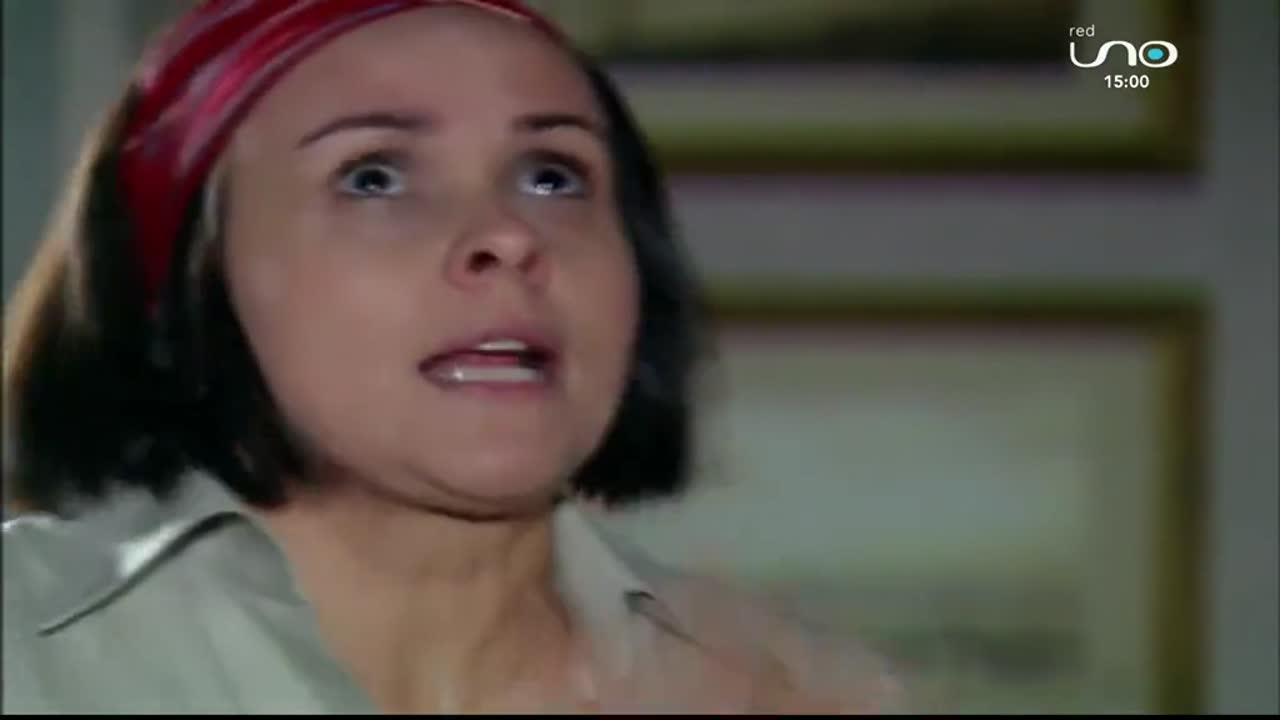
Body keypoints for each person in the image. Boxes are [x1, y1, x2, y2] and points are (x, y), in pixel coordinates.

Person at [2, 0, 901, 713]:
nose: (509, 235)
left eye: (553, 175)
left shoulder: (793, 693)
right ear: (184, 276)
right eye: (374, 176)